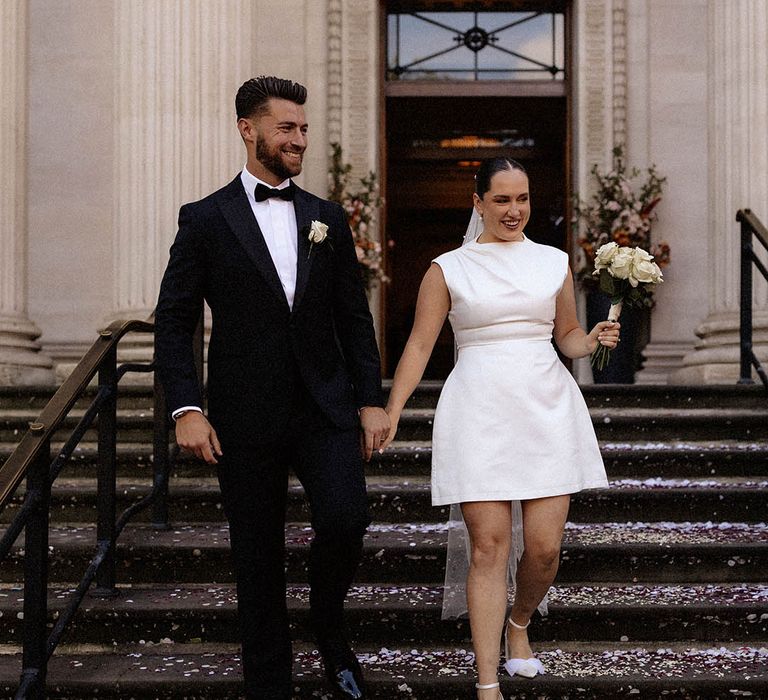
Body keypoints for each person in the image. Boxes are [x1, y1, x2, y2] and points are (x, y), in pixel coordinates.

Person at [154, 75, 389, 700]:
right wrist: (185, 407)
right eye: (286, 128)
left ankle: (329, 628)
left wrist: (370, 400)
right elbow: (175, 320)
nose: (299, 140)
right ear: (247, 129)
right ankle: (269, 679)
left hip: (324, 407)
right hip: (243, 413)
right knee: (256, 554)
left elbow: (353, 318)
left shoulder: (327, 219)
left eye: (303, 129)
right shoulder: (204, 219)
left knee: (346, 518)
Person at [381, 157, 619, 700]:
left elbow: (567, 336)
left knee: (543, 549)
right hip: (479, 407)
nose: (515, 211)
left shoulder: (554, 261)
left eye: (523, 199)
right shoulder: (447, 268)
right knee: (488, 548)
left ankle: (519, 622)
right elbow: (419, 345)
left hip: (546, 405)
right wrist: (393, 409)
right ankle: (487, 683)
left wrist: (594, 338)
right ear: (478, 202)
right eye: (503, 200)